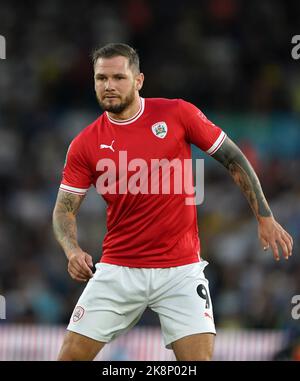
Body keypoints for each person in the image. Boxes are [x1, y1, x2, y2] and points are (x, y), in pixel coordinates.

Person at [52, 43, 293, 361]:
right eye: (101, 78)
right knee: (69, 357)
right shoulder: (85, 144)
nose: (109, 85)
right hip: (119, 268)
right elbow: (64, 210)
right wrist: (72, 250)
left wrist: (264, 216)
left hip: (180, 270)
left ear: (138, 80)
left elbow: (233, 158)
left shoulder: (177, 113)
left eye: (118, 77)